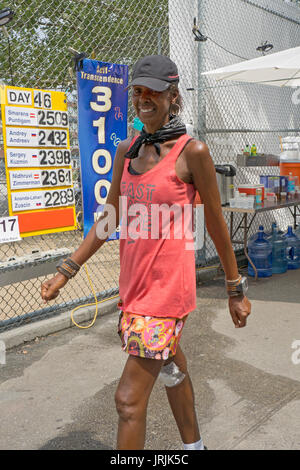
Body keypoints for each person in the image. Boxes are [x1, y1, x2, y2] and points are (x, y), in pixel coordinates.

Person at [41, 55, 251, 450]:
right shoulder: (126, 150)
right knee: (173, 370)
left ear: (174, 97)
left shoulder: (194, 153)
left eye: (153, 91)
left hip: (167, 295)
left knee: (127, 401)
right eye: (137, 91)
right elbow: (110, 217)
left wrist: (234, 288)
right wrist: (66, 270)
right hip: (134, 291)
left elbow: (216, 225)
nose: (143, 98)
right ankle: (195, 447)